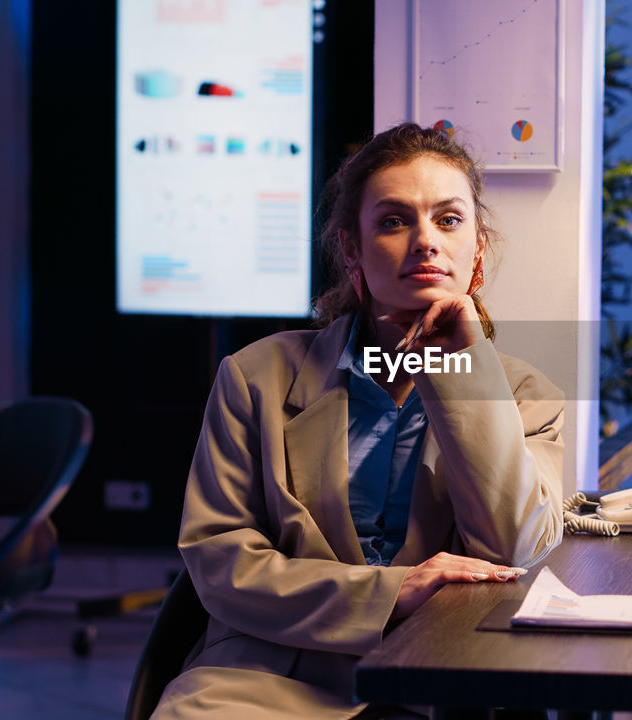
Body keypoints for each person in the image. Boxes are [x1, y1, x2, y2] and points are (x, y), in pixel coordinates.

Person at [151, 123, 565, 719]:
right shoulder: (255, 377)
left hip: (438, 676)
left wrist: (461, 370)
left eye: (448, 220)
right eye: (394, 221)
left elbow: (516, 549)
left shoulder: (530, 398)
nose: (426, 242)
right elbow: (222, 564)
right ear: (352, 251)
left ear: (477, 249)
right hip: (267, 673)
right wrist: (390, 594)